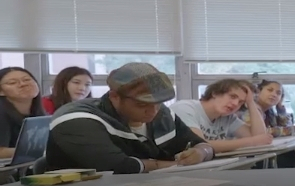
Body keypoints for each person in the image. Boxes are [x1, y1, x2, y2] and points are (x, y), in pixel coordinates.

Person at [44, 62, 214, 173]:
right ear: (115, 97)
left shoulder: (162, 113)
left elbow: (199, 143)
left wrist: (201, 152)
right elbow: (118, 166)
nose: (153, 111)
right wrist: (178, 165)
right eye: (142, 104)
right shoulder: (76, 119)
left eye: (158, 103)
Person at [171, 79, 272, 153]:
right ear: (215, 93)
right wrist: (252, 141)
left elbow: (260, 136)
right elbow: (200, 144)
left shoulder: (227, 117)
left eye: (241, 102)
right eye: (232, 96)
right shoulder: (185, 108)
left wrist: (250, 103)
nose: (235, 103)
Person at [0, 67, 45, 159]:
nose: (23, 84)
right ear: (1, 91)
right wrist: (38, 150)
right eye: (12, 83)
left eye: (27, 80)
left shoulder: (39, 113)